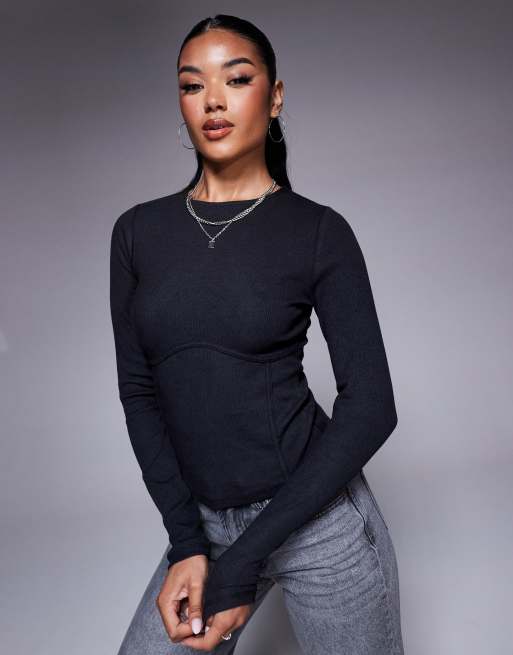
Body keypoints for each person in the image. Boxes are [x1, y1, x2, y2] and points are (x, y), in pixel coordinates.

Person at [110, 14, 405, 655]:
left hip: (319, 522)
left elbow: (372, 407)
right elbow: (139, 391)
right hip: (204, 529)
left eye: (236, 79)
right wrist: (188, 543)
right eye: (193, 85)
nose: (213, 101)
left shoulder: (318, 232)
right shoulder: (137, 233)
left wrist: (246, 559)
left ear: (274, 98)